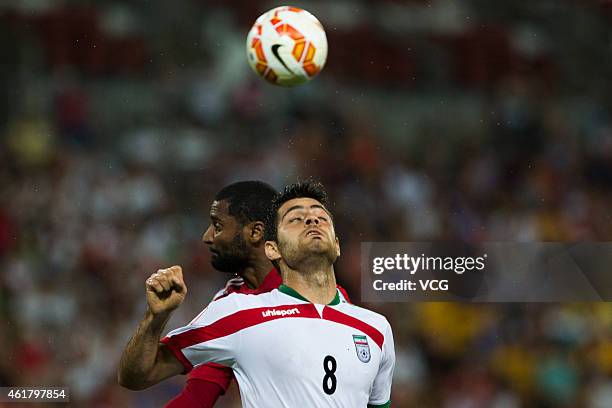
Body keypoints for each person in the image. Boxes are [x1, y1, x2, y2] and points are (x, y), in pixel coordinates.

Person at [118, 180, 392, 408]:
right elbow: (196, 394)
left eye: (218, 225)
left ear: (256, 233)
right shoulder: (233, 309)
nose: (207, 237)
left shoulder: (347, 313)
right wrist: (156, 317)